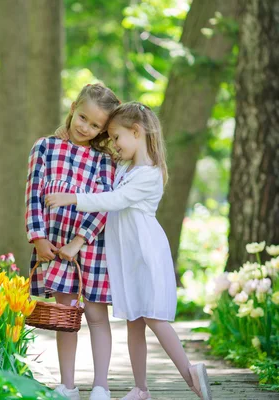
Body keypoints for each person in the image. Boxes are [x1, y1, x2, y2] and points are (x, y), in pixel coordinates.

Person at [45, 102, 212, 400]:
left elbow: (114, 199)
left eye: (117, 137)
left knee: (153, 317)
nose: (113, 144)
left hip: (145, 253)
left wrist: (72, 198)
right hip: (127, 256)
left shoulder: (150, 174)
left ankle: (191, 374)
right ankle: (140, 388)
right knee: (134, 321)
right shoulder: (124, 166)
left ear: (136, 133)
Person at [25, 83, 120, 400]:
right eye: (83, 118)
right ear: (73, 108)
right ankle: (67, 384)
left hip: (89, 248)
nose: (86, 128)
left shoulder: (102, 161)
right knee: (65, 315)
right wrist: (38, 238)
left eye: (96, 126)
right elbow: (33, 197)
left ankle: (101, 386)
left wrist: (79, 241)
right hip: (54, 247)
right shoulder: (45, 148)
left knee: (95, 315)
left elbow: (106, 203)